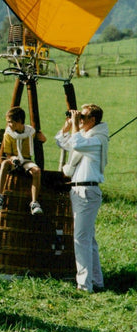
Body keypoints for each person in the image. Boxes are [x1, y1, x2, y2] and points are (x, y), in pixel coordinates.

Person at [55, 104, 108, 293]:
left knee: (80, 239)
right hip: (81, 191)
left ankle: (84, 285)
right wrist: (68, 125)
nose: (81, 120)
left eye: (84, 117)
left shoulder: (96, 140)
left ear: (93, 120)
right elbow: (63, 142)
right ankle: (96, 281)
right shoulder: (87, 137)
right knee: (88, 239)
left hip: (87, 191)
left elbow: (76, 144)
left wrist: (76, 125)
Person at [0, 106, 46, 215]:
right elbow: (8, 154)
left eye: (11, 122)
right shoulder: (8, 134)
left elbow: (42, 139)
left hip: (26, 160)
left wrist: (42, 137)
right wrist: (13, 159)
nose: (9, 125)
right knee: (4, 164)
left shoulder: (30, 132)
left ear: (19, 121)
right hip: (13, 159)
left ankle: (34, 202)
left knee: (36, 171)